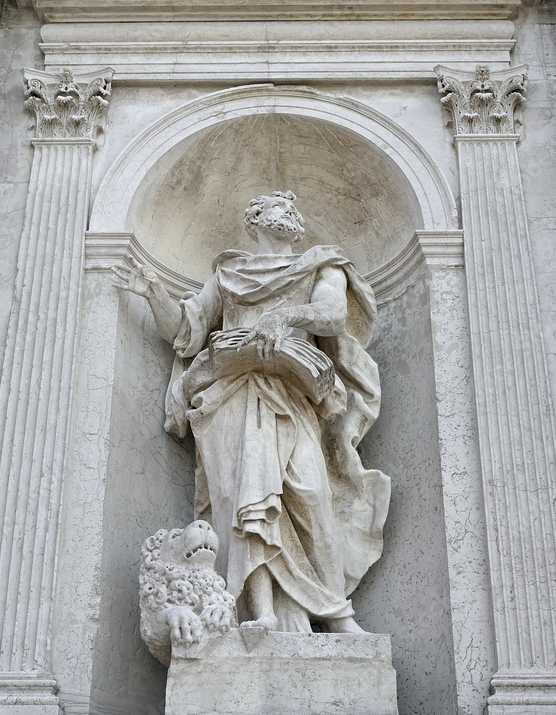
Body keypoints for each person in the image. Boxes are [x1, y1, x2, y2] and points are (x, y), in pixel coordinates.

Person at [113, 190, 390, 633]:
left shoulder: (322, 265)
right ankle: (255, 612)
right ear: (255, 219)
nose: (291, 209)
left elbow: (334, 314)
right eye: (278, 205)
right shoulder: (228, 274)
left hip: (294, 394)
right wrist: (152, 292)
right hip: (233, 395)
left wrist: (287, 318)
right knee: (247, 497)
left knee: (312, 497)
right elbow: (186, 331)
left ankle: (337, 615)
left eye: (293, 208)